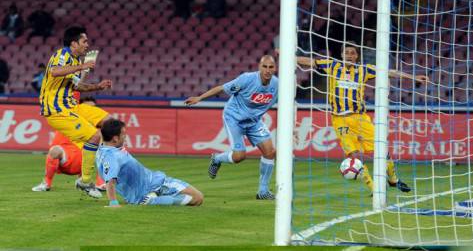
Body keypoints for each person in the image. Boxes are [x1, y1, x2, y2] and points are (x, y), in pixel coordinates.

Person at [292, 41, 428, 194]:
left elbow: (389, 72)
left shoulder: (364, 70)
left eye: (353, 53)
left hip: (361, 118)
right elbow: (310, 61)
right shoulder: (332, 65)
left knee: (381, 148)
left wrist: (414, 77)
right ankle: (374, 189)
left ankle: (393, 179)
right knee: (353, 156)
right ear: (342, 54)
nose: (349, 55)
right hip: (340, 119)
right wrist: (289, 56)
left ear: (357, 56)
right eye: (347, 52)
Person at [185, 55, 278, 200]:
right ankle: (217, 158)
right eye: (264, 66)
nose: (267, 70)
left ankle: (263, 191)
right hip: (234, 118)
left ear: (275, 68)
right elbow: (222, 88)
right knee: (239, 156)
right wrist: (199, 98)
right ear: (259, 67)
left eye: (271, 67)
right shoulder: (247, 79)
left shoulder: (277, 85)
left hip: (254, 121)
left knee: (270, 152)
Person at [39, 26, 113, 198]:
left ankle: (90, 178)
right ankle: (85, 181)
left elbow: (77, 86)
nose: (87, 45)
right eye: (84, 41)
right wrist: (83, 66)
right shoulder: (62, 55)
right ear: (74, 43)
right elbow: (55, 71)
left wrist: (98, 86)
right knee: (95, 137)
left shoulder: (73, 62)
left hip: (71, 107)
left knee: (103, 130)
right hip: (57, 110)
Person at [96, 118, 204, 207]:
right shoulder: (113, 156)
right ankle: (153, 200)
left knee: (194, 197)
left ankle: (153, 198)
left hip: (141, 191)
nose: (125, 137)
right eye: (123, 134)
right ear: (115, 138)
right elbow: (110, 181)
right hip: (155, 184)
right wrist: (113, 203)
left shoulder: (104, 149)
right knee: (197, 198)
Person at [32, 97, 105, 196]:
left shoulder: (97, 128)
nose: (90, 110)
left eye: (93, 108)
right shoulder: (67, 119)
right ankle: (46, 184)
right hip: (67, 159)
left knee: (105, 151)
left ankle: (99, 184)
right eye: (87, 107)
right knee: (55, 150)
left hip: (86, 162)